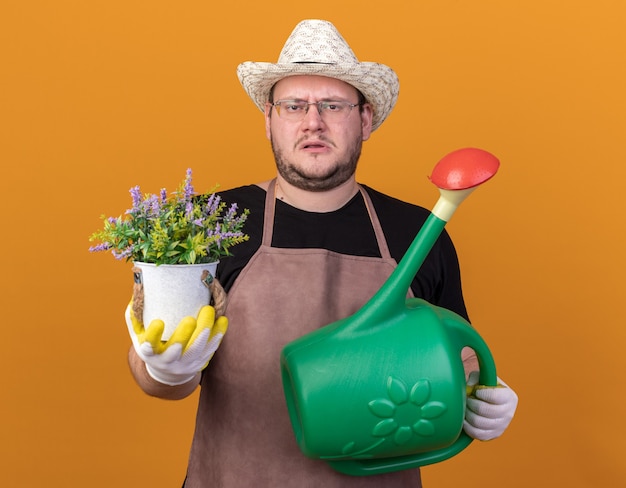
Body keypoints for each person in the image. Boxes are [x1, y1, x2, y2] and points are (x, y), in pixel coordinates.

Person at [126, 19, 518, 487]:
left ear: (365, 119)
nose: (313, 122)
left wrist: (481, 397)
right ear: (269, 120)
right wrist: (164, 369)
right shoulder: (211, 226)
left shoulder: (417, 231)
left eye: (333, 105)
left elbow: (460, 358)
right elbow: (158, 369)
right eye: (294, 106)